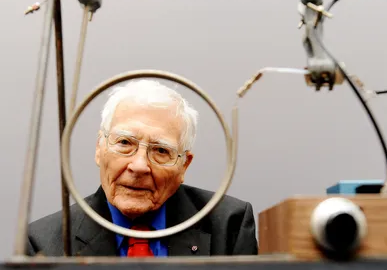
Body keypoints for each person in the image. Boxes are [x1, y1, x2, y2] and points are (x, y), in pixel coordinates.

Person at [27, 79, 258, 257]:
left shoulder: (229, 226)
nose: (139, 166)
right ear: (99, 148)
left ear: (183, 165)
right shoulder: (44, 243)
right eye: (125, 143)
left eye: (160, 151)